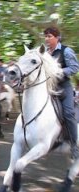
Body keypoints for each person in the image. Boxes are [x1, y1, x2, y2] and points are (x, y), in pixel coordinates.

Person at [44, 26, 79, 159]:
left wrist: (60, 72)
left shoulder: (66, 51)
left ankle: (74, 146)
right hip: (49, 87)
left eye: (49, 36)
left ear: (57, 37)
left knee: (68, 113)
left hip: (64, 87)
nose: (47, 39)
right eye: (46, 36)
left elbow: (75, 68)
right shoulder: (45, 53)